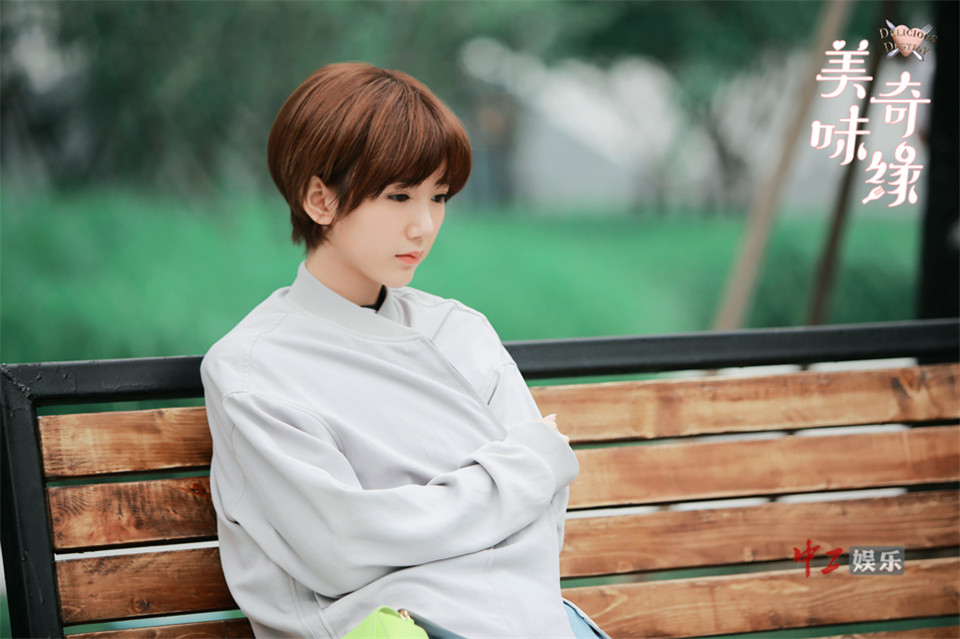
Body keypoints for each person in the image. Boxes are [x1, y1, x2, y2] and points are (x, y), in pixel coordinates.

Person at [201, 62, 609, 639]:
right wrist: (520, 472)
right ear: (320, 199)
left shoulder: (460, 331)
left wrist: (412, 521)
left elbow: (542, 515)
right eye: (398, 196)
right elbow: (342, 547)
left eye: (438, 196)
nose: (424, 225)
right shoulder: (253, 369)